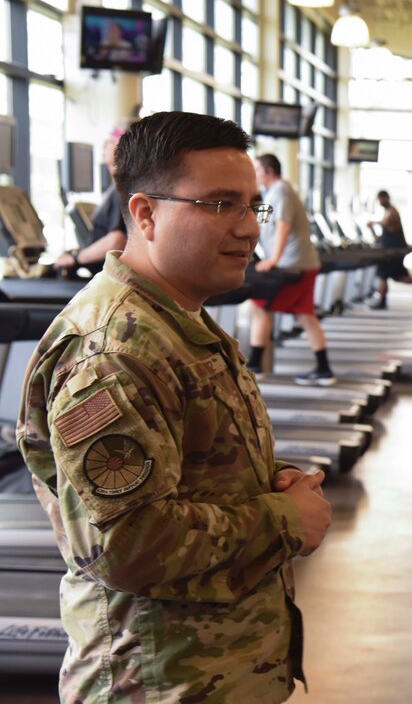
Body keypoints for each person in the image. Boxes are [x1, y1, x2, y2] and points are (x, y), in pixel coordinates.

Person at [17, 111, 331, 703]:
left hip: (209, 672)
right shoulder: (114, 348)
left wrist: (270, 482)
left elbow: (191, 468)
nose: (248, 230)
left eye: (250, 206)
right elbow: (127, 543)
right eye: (220, 205)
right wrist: (285, 519)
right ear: (144, 213)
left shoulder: (178, 320)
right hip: (155, 683)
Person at [249, 153, 336, 386]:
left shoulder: (282, 192)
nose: (254, 174)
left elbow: (283, 226)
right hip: (297, 264)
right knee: (302, 314)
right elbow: (261, 226)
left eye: (257, 170)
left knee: (260, 305)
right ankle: (323, 368)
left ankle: (255, 365)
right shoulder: (270, 194)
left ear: (268, 171)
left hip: (292, 266)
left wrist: (273, 260)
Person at [54, 127, 128, 275]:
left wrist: (76, 258)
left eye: (111, 141)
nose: (105, 145)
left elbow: (116, 241)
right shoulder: (116, 188)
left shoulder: (121, 189)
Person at [367, 189, 412, 309]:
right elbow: (389, 230)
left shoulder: (392, 211)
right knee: (399, 277)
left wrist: (373, 223)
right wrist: (379, 238)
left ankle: (382, 301)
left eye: (381, 199)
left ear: (385, 198)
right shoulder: (387, 211)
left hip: (393, 252)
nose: (380, 202)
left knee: (383, 275)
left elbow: (386, 223)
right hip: (392, 251)